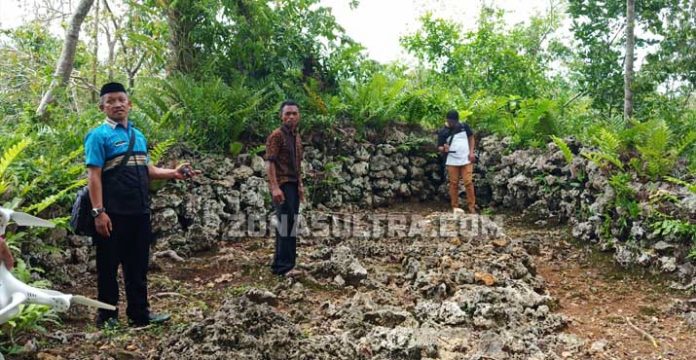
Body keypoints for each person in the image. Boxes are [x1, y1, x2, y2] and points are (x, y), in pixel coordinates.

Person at [84, 82, 200, 328]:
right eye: (111, 101)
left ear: (129, 104)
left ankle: (140, 315)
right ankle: (107, 317)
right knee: (108, 268)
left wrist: (174, 173)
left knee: (137, 266)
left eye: (121, 100)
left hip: (139, 212)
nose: (117, 104)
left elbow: (148, 169)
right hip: (112, 214)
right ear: (102, 106)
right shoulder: (98, 136)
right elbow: (94, 175)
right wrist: (99, 212)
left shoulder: (138, 136)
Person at [265, 100, 304, 277]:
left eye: (294, 113)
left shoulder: (296, 136)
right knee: (284, 224)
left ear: (299, 116)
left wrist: (300, 186)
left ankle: (289, 263)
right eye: (287, 113)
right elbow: (270, 162)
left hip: (293, 185)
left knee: (291, 224)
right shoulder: (277, 136)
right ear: (281, 116)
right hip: (282, 185)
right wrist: (274, 187)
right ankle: (282, 266)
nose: (291, 117)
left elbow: (297, 164)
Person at [437, 110, 476, 213]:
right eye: (450, 122)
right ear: (447, 120)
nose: (452, 124)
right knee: (454, 183)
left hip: (466, 159)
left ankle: (472, 206)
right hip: (452, 160)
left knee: (468, 182)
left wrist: (471, 152)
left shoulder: (464, 127)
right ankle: (455, 206)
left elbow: (471, 138)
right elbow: (439, 147)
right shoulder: (443, 131)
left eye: (454, 122)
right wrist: (444, 149)